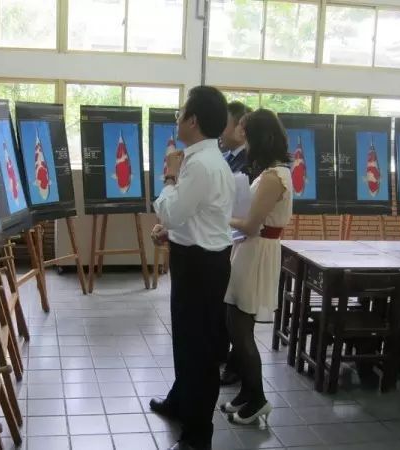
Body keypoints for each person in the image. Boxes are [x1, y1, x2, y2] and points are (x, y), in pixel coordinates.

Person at [150, 86, 235, 450]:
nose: (177, 119)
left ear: (193, 120)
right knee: (186, 341)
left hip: (202, 266)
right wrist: (170, 233)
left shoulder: (198, 164)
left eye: (180, 113)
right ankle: (180, 402)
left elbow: (172, 210)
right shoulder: (207, 159)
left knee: (199, 350)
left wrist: (169, 177)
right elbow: (198, 216)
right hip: (198, 259)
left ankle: (199, 434)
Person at [220, 108, 293, 425]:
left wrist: (223, 217)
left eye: (247, 136)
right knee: (235, 325)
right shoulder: (270, 173)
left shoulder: (275, 177)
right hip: (249, 250)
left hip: (256, 251)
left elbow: (251, 225)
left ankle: (258, 398)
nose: (244, 143)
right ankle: (247, 393)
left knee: (241, 330)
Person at [218, 100, 253, 387]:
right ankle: (224, 354)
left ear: (241, 128)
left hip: (241, 239)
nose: (221, 130)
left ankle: (237, 363)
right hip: (225, 236)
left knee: (238, 306)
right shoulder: (226, 157)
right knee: (225, 302)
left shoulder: (251, 164)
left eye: (225, 124)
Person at [220, 101, 252, 175]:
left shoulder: (249, 164)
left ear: (241, 129)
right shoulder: (221, 157)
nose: (219, 130)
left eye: (224, 124)